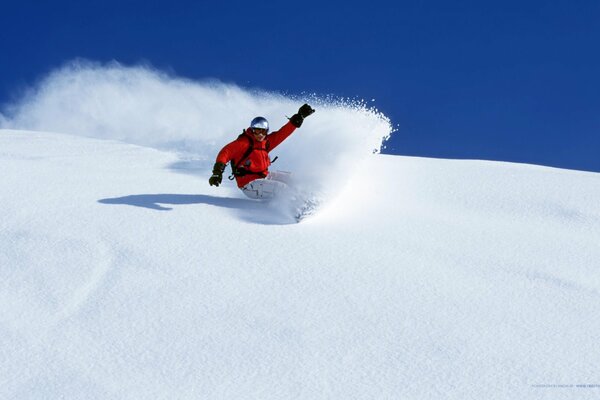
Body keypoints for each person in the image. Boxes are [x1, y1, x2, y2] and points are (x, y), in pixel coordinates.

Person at [209, 104, 315, 199]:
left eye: (263, 131)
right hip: (249, 184)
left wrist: (298, 117)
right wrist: (217, 172)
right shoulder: (244, 142)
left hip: (263, 176)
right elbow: (226, 152)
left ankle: (311, 196)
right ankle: (299, 210)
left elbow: (282, 134)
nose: (260, 134)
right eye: (257, 130)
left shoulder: (265, 143)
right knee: (283, 189)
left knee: (293, 179)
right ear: (252, 129)